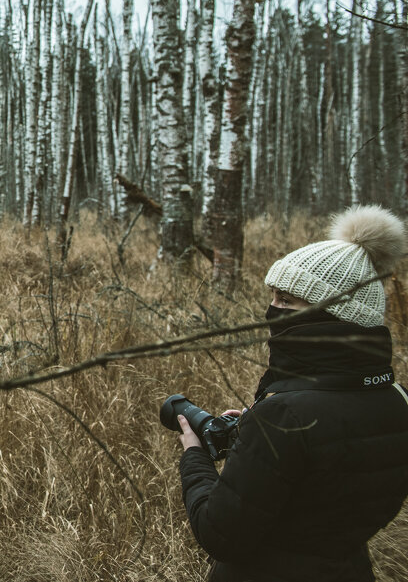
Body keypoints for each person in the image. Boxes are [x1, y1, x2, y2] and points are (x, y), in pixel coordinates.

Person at [174, 205, 408, 581]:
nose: (272, 309)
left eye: (286, 300)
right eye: (273, 296)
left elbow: (219, 535)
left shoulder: (285, 417)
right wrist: (256, 432)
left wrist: (194, 457)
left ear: (331, 314)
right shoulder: (398, 399)